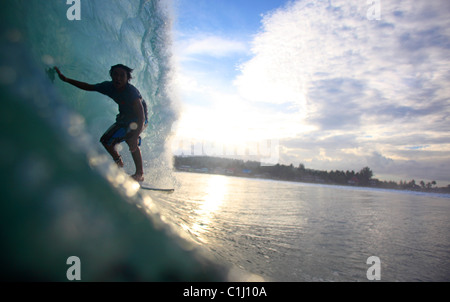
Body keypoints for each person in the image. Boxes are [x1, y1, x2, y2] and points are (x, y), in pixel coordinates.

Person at [54, 64, 148, 182]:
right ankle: (119, 163)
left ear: (127, 78)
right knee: (106, 140)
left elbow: (141, 117)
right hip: (124, 117)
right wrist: (66, 79)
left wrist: (135, 136)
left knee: (131, 138)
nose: (118, 78)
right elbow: (88, 87)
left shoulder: (131, 92)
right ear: (111, 76)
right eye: (115, 75)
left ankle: (139, 174)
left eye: (122, 76)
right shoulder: (108, 87)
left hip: (139, 117)